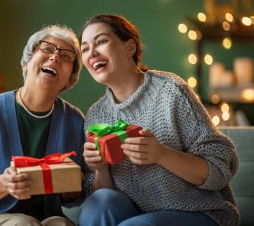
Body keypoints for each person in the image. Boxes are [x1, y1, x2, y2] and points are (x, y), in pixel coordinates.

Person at [78, 14, 240, 226]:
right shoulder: (96, 116)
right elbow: (103, 202)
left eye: (101, 41)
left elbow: (220, 168)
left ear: (130, 48)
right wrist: (100, 168)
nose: (92, 53)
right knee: (98, 202)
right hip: (134, 216)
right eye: (85, 48)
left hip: (200, 213)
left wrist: (161, 154)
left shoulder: (171, 91)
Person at [0, 24, 85, 226]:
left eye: (66, 56)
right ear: (26, 64)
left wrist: (70, 182)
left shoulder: (74, 120)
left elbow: (72, 199)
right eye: (47, 49)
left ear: (69, 79)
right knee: (22, 224)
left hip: (45, 218)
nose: (55, 57)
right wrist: (4, 184)